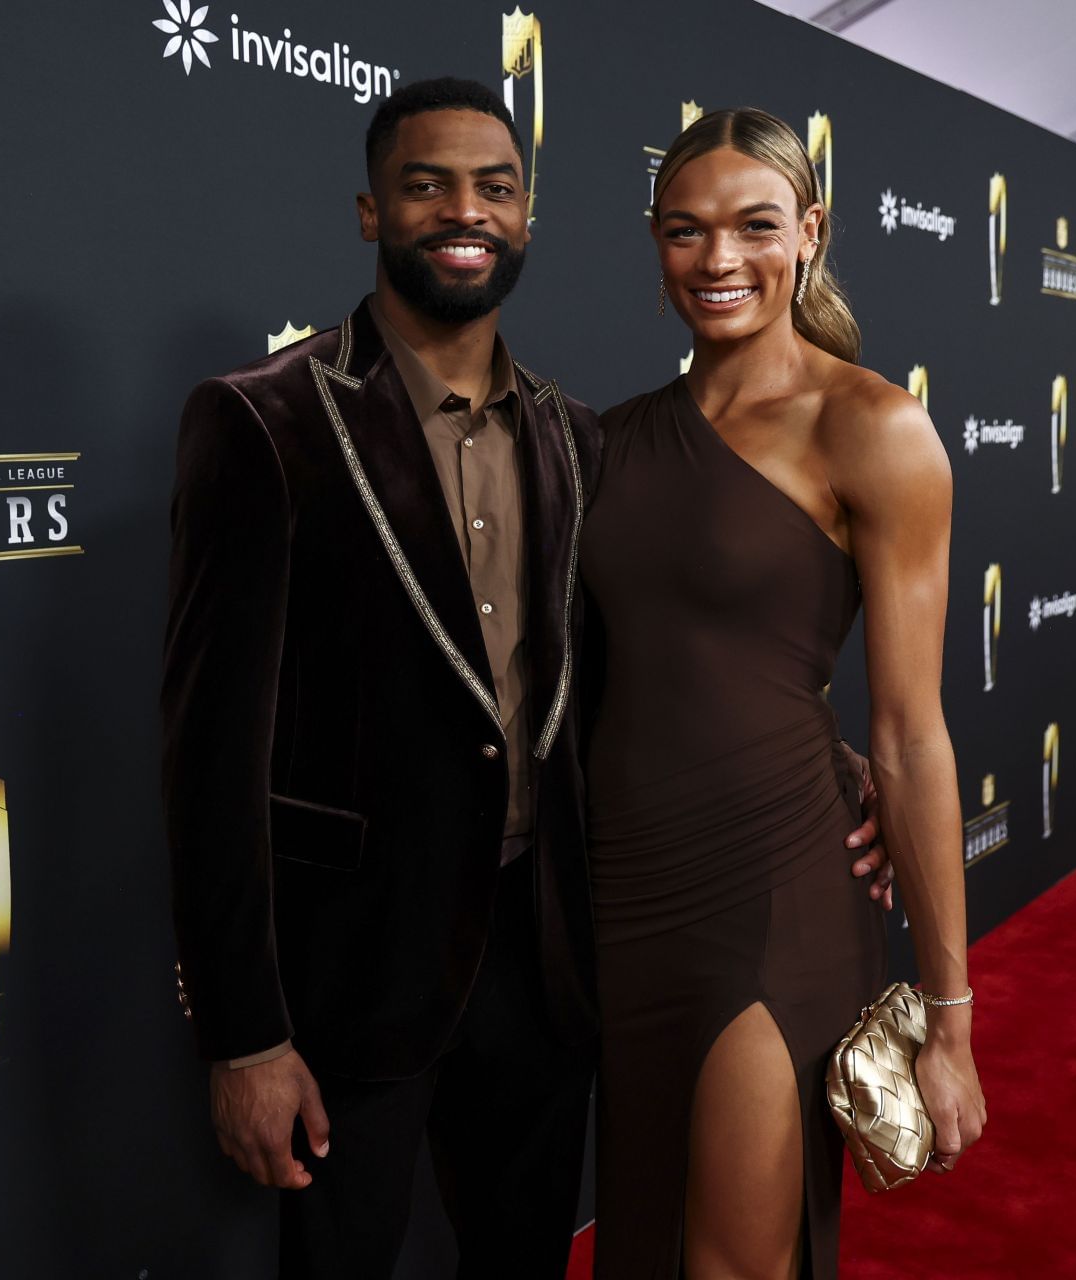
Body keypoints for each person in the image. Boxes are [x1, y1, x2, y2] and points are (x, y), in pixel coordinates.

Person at [160, 80, 889, 1279]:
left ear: (528, 219)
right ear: (368, 211)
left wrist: (829, 754)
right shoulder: (263, 420)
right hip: (356, 978)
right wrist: (245, 1034)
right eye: (426, 183)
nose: (466, 210)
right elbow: (207, 754)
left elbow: (640, 664)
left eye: (495, 187)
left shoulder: (579, 437)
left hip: (552, 969)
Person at [581, 107, 985, 1279]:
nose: (719, 261)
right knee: (642, 1234)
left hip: (771, 880)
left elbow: (912, 733)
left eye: (755, 226)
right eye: (684, 231)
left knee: (737, 1259)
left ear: (808, 232)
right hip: (621, 880)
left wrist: (950, 1016)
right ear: (653, 245)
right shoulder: (606, 441)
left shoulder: (872, 425)